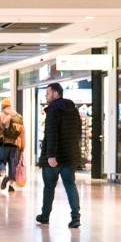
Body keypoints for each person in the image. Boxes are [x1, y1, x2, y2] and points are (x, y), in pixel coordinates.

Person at [36, 82, 83, 229]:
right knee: (70, 185)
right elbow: (78, 134)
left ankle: (45, 216)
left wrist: (50, 155)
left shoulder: (53, 110)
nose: (46, 96)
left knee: (49, 187)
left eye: (48, 93)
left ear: (56, 94)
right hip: (69, 156)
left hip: (54, 158)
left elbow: (51, 134)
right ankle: (75, 218)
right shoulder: (74, 110)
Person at [0, 98, 25, 192]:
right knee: (13, 165)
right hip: (15, 145)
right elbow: (22, 133)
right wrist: (22, 146)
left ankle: (4, 175)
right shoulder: (18, 117)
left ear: (2, 106)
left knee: (0, 161)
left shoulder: (0, 116)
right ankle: (11, 186)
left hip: (2, 144)